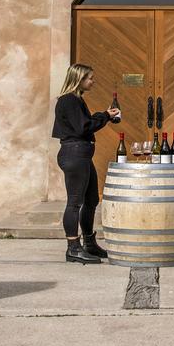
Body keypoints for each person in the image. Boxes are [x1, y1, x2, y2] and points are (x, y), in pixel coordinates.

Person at [52, 63, 120, 264]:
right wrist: (105, 115)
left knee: (91, 200)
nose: (93, 81)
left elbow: (83, 124)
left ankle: (89, 243)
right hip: (74, 154)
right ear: (79, 79)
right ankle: (73, 248)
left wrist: (103, 116)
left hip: (81, 154)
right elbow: (84, 127)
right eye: (90, 78)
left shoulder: (76, 100)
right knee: (75, 202)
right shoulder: (68, 101)